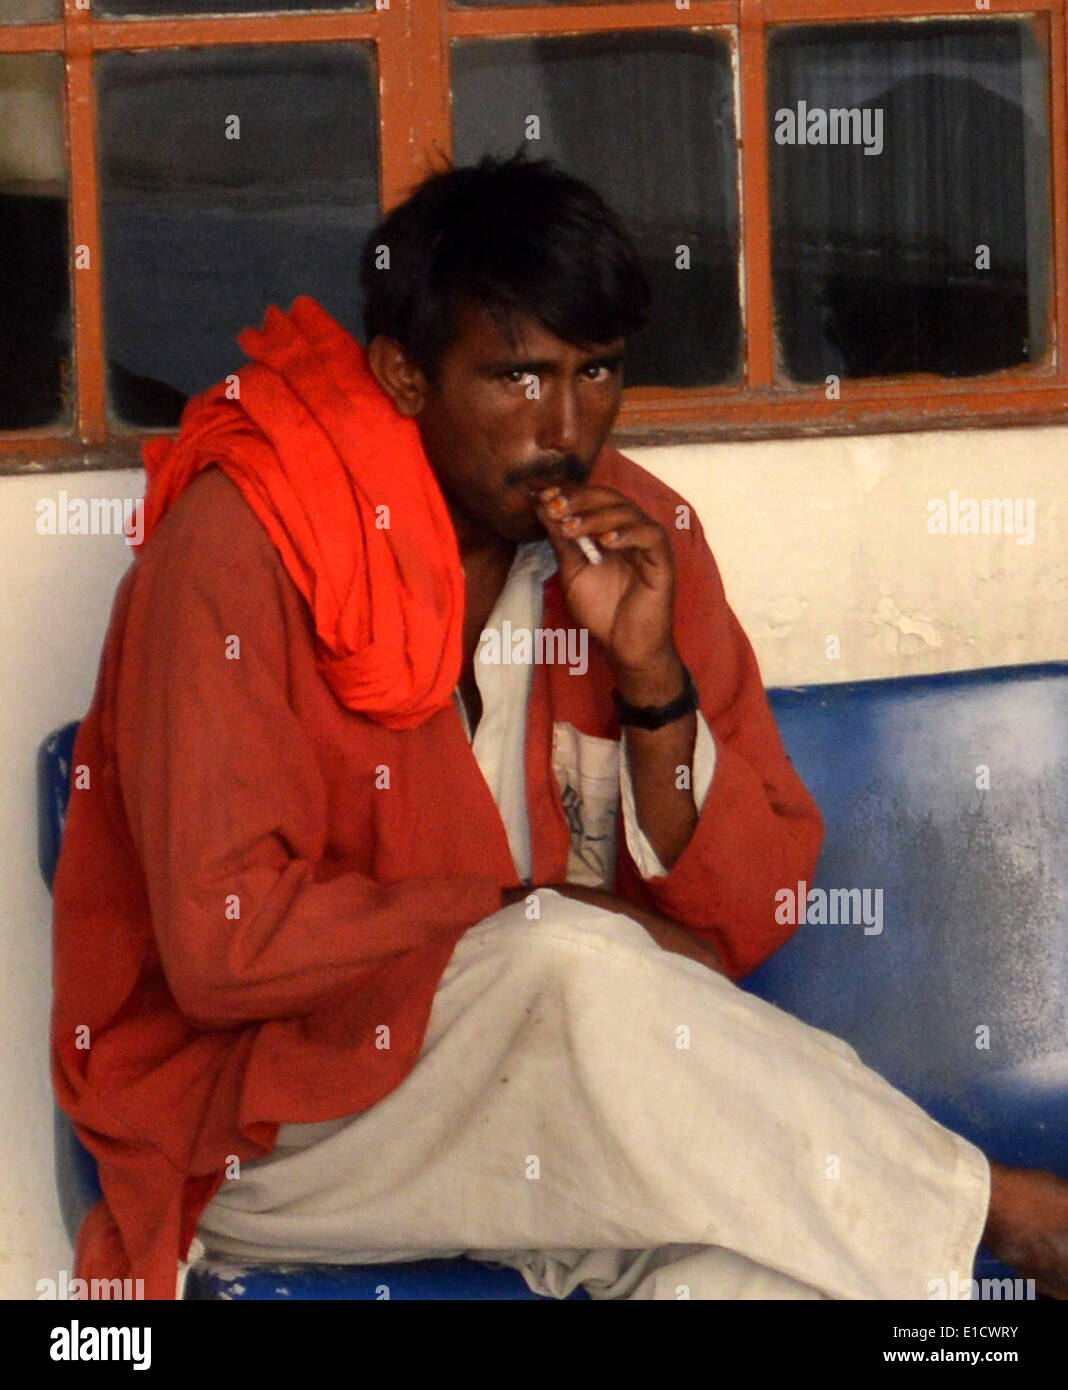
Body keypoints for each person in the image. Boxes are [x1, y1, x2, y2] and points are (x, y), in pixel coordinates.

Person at [51, 151, 1068, 1301]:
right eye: (518, 379)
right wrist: (528, 913)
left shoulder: (638, 538)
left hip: (559, 1113)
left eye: (597, 373)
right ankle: (1007, 1210)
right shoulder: (244, 549)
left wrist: (651, 679)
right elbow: (221, 947)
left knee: (755, 1273)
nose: (567, 427)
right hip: (275, 1128)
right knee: (564, 959)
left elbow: (752, 915)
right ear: (403, 375)